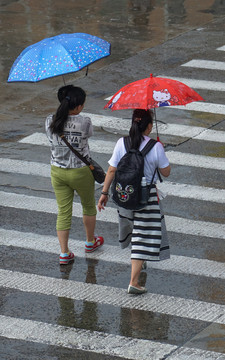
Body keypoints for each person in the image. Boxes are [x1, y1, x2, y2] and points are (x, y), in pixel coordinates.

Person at [98, 109, 170, 294]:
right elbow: (166, 172)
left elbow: (112, 170)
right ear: (149, 126)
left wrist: (104, 193)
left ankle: (141, 262)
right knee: (142, 237)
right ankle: (133, 282)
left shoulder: (121, 142)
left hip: (125, 195)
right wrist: (159, 149)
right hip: (147, 197)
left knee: (134, 230)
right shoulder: (156, 146)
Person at [45, 85, 104, 265]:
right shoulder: (85, 121)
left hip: (57, 171)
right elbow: (88, 135)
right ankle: (90, 241)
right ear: (78, 106)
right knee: (88, 205)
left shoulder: (49, 120)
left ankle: (64, 253)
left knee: (63, 211)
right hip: (80, 171)